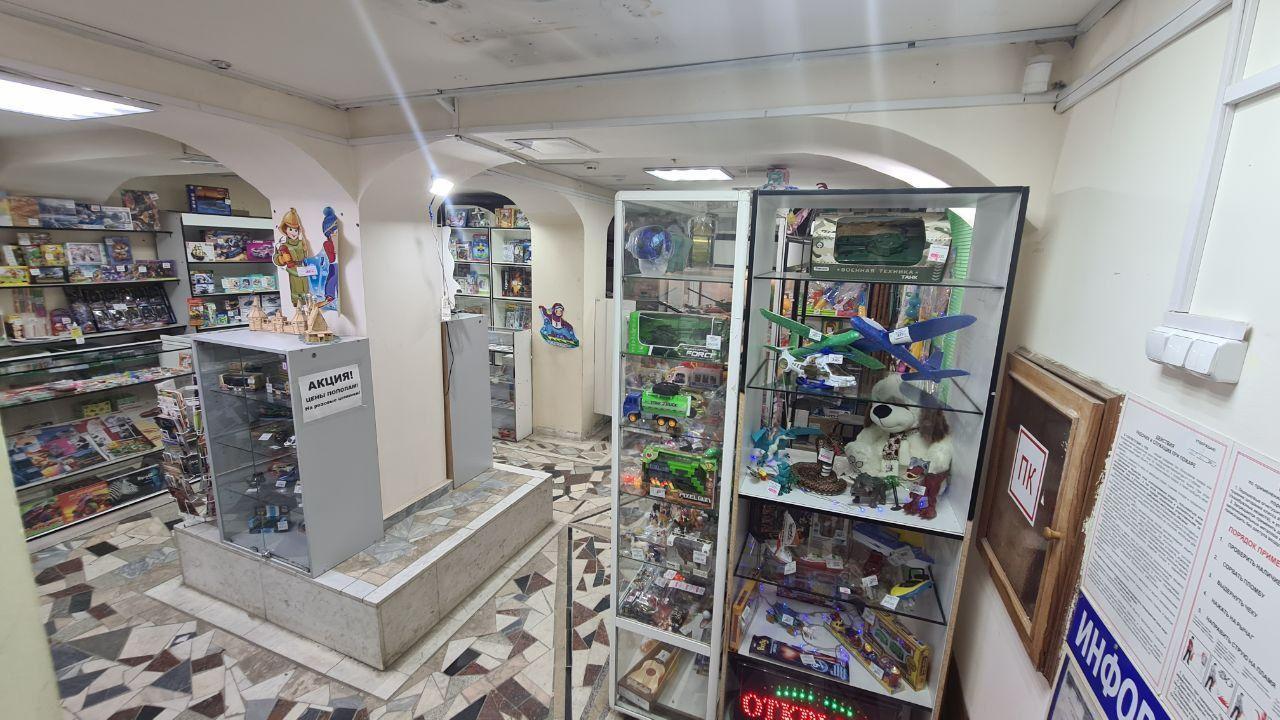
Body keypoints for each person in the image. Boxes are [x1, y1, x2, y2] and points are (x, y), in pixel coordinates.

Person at [274, 208, 313, 306]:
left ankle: (307, 303)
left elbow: (307, 254)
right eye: (290, 229)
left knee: (306, 288)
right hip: (293, 269)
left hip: (304, 269)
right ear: (285, 230)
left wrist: (305, 248)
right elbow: (276, 258)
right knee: (296, 288)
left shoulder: (302, 242)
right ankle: (297, 304)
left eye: (296, 230)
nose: (293, 232)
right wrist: (281, 259)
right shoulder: (283, 245)